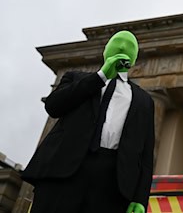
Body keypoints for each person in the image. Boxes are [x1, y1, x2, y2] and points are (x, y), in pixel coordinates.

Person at [22, 31, 154, 213]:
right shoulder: (76, 78)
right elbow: (53, 107)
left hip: (113, 183)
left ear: (135, 57)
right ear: (105, 50)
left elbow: (146, 154)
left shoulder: (144, 100)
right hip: (63, 173)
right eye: (117, 42)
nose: (123, 47)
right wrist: (101, 77)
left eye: (129, 45)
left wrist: (140, 198)